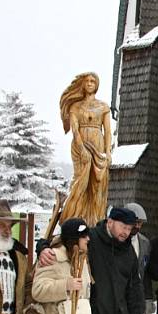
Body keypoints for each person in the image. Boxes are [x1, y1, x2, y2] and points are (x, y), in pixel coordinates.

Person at [59, 72, 112, 226]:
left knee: (97, 184)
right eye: (87, 81)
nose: (90, 83)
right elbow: (75, 129)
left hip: (98, 144)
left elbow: (107, 131)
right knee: (80, 181)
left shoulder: (103, 106)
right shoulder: (76, 106)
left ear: (97, 85)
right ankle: (74, 217)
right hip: (80, 144)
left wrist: (108, 151)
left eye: (93, 81)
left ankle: (95, 221)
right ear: (83, 84)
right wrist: (81, 148)